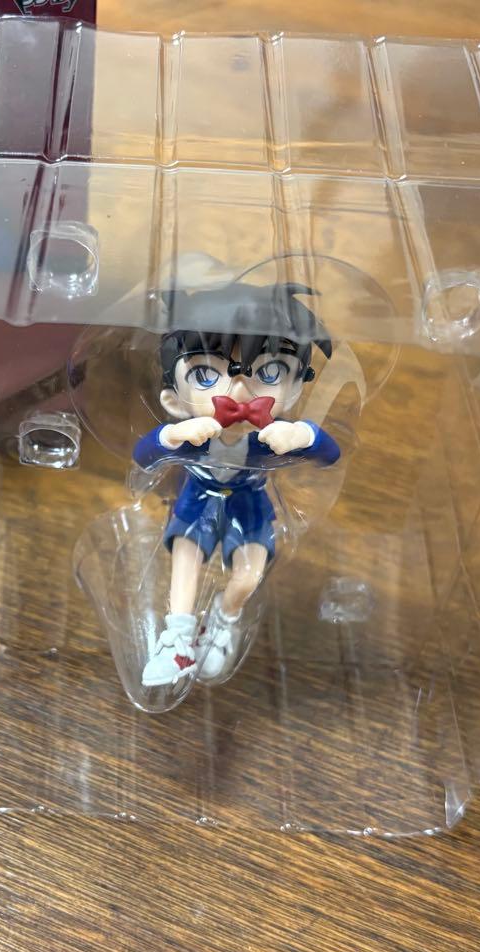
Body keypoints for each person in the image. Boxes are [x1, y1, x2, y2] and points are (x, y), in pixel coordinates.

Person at [133, 283, 341, 687]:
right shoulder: (194, 434)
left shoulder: (269, 437)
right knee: (186, 561)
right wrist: (172, 435)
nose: (241, 391)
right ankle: (177, 642)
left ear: (295, 389)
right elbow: (143, 455)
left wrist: (301, 434)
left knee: (247, 578)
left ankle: (223, 621)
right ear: (174, 400)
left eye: (269, 372)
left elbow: (330, 454)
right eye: (206, 375)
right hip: (196, 501)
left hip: (249, 505)